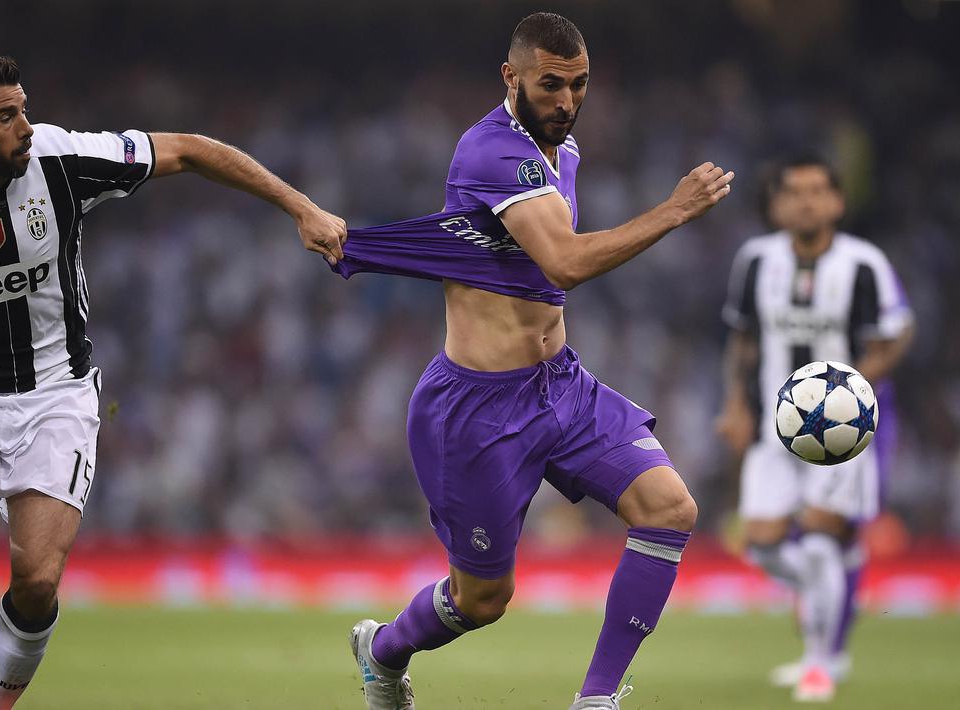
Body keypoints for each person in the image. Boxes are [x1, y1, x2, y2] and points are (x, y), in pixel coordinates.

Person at [0, 49, 345, 709]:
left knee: (38, 580)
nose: (24, 126)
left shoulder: (63, 159)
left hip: (57, 387)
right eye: (4, 117)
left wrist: (299, 206)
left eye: (24, 110)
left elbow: (188, 150)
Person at [330, 13, 734, 710]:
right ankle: (383, 650)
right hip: (477, 410)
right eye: (550, 84)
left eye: (578, 86)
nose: (566, 101)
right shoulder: (489, 151)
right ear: (510, 77)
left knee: (669, 508)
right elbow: (565, 262)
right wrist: (671, 210)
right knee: (482, 599)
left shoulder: (562, 152)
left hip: (560, 387)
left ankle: (596, 699)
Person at [716, 156, 913, 702]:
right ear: (776, 204)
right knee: (762, 545)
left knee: (824, 538)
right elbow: (743, 339)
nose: (806, 201)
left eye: (818, 191)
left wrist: (847, 390)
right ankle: (832, 597)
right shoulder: (756, 260)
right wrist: (734, 404)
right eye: (794, 192)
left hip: (843, 433)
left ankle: (820, 662)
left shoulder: (863, 263)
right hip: (773, 424)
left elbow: (896, 334)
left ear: (837, 202)